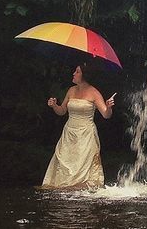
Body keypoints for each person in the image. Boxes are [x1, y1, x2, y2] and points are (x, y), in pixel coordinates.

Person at [40, 62, 116, 190]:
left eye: (77, 71)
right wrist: (54, 106)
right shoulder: (71, 90)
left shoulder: (94, 92)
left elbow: (106, 115)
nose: (73, 74)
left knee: (83, 166)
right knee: (64, 162)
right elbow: (62, 111)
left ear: (84, 75)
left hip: (86, 135)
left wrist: (108, 107)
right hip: (69, 133)